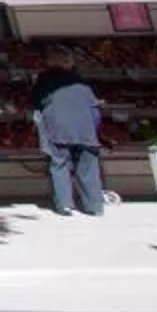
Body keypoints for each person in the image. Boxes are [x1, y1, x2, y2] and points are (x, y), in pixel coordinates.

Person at [33, 59, 107, 216]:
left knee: (59, 164)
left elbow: (36, 103)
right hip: (85, 130)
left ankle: (65, 204)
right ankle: (94, 205)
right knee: (88, 168)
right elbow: (95, 111)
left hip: (57, 128)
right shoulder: (83, 84)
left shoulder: (45, 82)